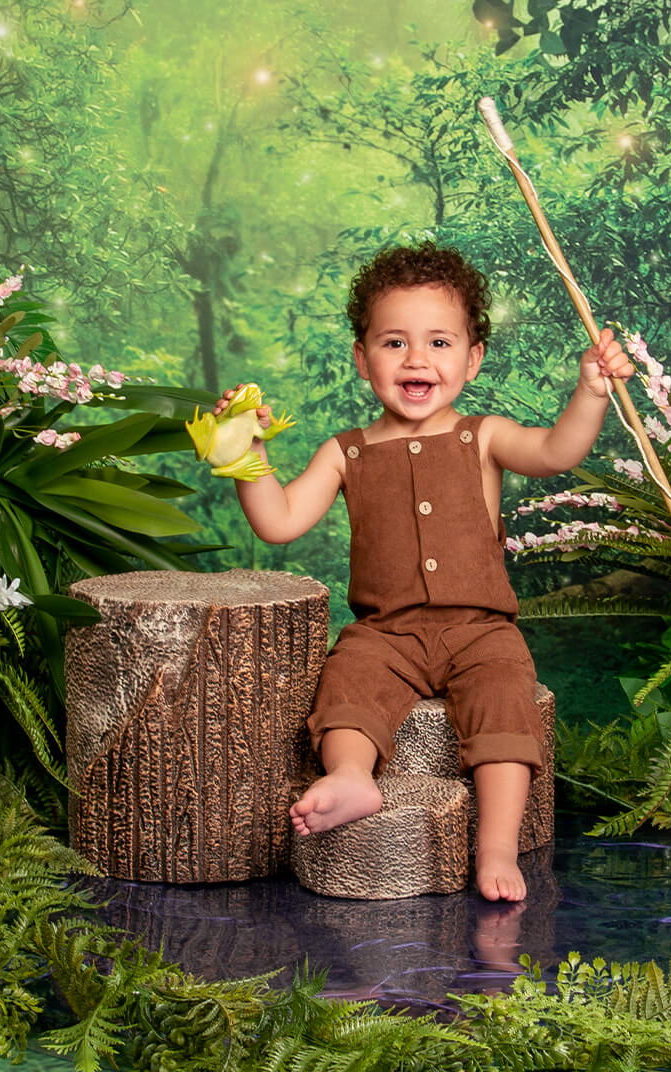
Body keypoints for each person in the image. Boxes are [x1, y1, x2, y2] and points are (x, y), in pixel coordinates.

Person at [216, 242, 632, 901]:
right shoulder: (345, 452)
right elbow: (280, 520)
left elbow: (558, 451)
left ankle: (495, 846)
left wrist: (590, 390)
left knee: (505, 699)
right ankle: (353, 775)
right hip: (386, 631)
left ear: (473, 358)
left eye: (439, 342)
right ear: (362, 357)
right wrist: (248, 451)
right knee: (346, 680)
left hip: (481, 630)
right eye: (393, 343)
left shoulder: (485, 437)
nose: (417, 359)